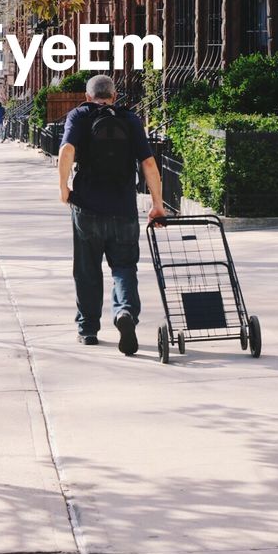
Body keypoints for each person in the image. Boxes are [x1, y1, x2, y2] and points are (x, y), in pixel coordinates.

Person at [58, 74, 165, 355]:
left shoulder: (79, 116)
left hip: (87, 208)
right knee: (124, 267)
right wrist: (157, 205)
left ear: (87, 95)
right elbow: (149, 164)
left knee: (87, 270)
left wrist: (63, 188)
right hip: (124, 208)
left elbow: (67, 150)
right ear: (114, 96)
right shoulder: (129, 118)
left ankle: (88, 329)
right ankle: (125, 312)